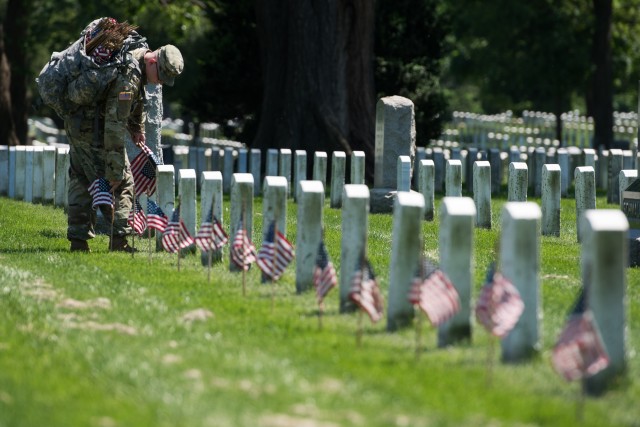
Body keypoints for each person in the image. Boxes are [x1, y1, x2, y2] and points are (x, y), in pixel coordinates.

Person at [65, 19, 184, 252]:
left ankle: (78, 242)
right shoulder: (129, 77)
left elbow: (136, 103)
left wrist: (137, 127)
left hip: (78, 125)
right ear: (152, 61)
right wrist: (116, 166)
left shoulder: (135, 58)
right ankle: (118, 240)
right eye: (159, 76)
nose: (158, 82)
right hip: (96, 131)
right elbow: (113, 124)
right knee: (124, 183)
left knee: (81, 179)